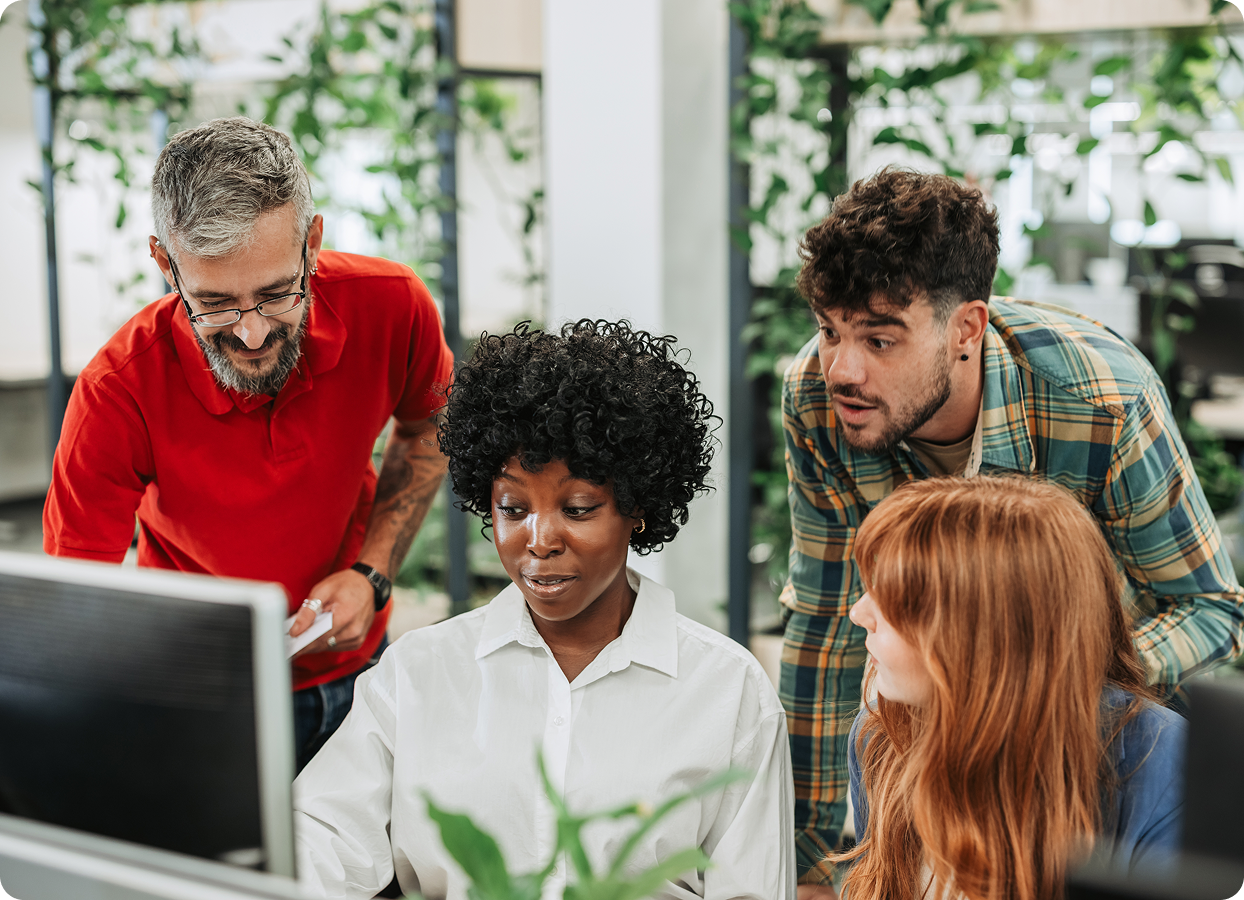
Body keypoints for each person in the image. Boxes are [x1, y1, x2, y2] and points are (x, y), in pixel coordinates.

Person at [780, 167, 1242, 891]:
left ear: (966, 327)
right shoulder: (818, 398)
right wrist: (806, 861)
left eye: (879, 338)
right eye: (829, 331)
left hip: (1094, 752)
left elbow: (1212, 608)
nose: (840, 367)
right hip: (936, 727)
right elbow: (824, 620)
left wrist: (1042, 687)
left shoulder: (1100, 399)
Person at [293, 320, 796, 900]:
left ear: (638, 505)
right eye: (512, 506)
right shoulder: (418, 674)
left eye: (578, 508)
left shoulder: (729, 694)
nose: (539, 539)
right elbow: (319, 841)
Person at [42, 117, 453, 771]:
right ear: (164, 262)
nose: (255, 334)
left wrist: (372, 574)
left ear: (311, 243)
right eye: (215, 303)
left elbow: (429, 424)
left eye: (275, 293)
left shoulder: (392, 305)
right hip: (204, 703)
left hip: (364, 675)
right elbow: (76, 606)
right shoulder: (117, 390)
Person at [834, 475, 1186, 900]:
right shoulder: (881, 736)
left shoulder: (1162, 762)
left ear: (985, 632)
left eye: (893, 600)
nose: (858, 612)